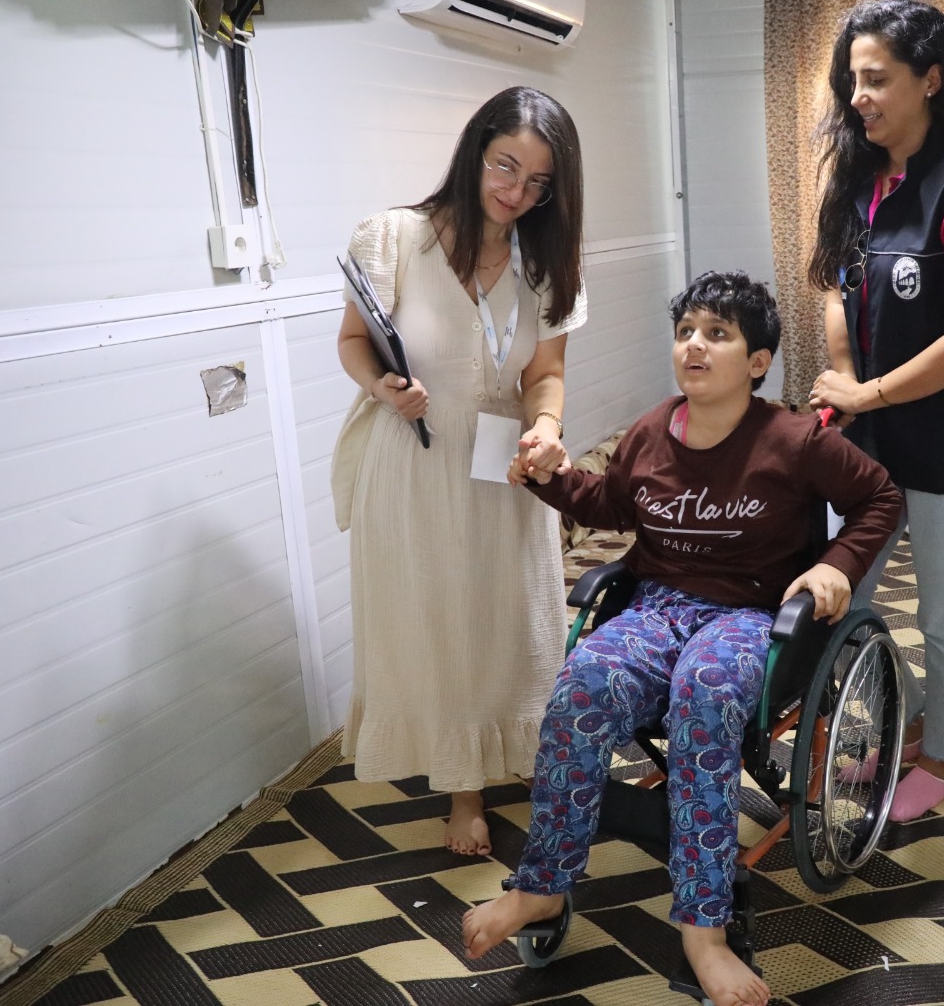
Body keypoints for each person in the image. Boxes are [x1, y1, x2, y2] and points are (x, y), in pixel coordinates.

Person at [462, 271, 901, 1006]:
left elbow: (879, 497)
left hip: (752, 615)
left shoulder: (796, 440)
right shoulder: (650, 431)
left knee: (704, 693)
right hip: (659, 607)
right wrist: (550, 476)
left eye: (717, 334)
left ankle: (704, 930)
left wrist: (837, 565)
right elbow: (610, 505)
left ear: (757, 362)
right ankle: (541, 886)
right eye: (685, 332)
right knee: (581, 683)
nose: (694, 345)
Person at [330, 86, 586, 857]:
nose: (516, 192)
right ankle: (463, 789)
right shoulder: (394, 237)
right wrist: (384, 388)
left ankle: (527, 748)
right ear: (475, 151)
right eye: (505, 166)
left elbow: (545, 373)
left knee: (512, 612)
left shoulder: (544, 261)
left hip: (502, 455)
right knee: (438, 618)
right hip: (415, 455)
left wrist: (546, 427)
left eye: (538, 182)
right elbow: (353, 342)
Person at [805, 0, 944, 822]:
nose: (858, 97)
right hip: (875, 443)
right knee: (840, 599)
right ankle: (907, 716)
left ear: (930, 80)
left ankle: (943, 757)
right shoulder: (860, 179)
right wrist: (844, 379)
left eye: (876, 79)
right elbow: (837, 286)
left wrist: (867, 392)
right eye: (851, 80)